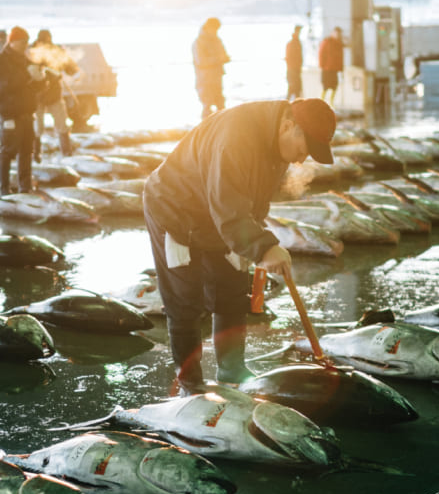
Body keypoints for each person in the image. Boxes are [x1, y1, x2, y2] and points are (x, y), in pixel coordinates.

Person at [142, 99, 337, 395]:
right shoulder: (237, 138)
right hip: (176, 211)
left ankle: (231, 370)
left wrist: (254, 240)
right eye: (303, 148)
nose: (301, 159)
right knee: (185, 302)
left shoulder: (276, 145)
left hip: (216, 216)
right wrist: (264, 248)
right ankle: (190, 384)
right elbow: (228, 206)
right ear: (288, 126)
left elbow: (252, 202)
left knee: (231, 290)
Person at [0, 26, 42, 194]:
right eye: (23, 42)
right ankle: (4, 188)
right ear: (13, 42)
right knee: (7, 151)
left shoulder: (25, 60)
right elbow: (4, 86)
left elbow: (35, 88)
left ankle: (25, 187)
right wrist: (27, 75)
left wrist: (42, 80)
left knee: (26, 151)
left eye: (27, 42)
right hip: (9, 114)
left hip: (27, 114)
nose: (26, 46)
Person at [29, 28, 79, 157]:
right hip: (37, 95)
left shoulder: (56, 51)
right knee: (37, 127)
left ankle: (66, 152)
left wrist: (73, 70)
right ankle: (36, 153)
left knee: (61, 125)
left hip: (53, 95)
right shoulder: (31, 52)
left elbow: (69, 66)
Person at [318, 26, 345, 106]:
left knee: (334, 86)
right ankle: (321, 103)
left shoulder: (339, 44)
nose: (338, 35)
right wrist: (322, 66)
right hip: (326, 69)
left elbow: (340, 57)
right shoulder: (327, 42)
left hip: (334, 69)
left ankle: (331, 103)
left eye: (339, 34)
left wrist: (341, 69)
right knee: (325, 86)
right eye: (336, 33)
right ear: (332, 33)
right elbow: (321, 54)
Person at [284, 24, 304, 100]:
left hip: (295, 70)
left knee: (294, 90)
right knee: (294, 89)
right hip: (293, 70)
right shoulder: (293, 43)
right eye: (299, 31)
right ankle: (288, 105)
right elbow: (289, 57)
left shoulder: (296, 43)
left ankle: (287, 105)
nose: (299, 33)